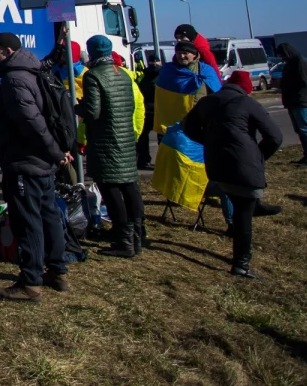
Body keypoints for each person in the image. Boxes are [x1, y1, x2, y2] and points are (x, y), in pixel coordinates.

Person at [0, 32, 71, 302]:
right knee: (49, 215)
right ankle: (58, 271)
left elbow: (32, 122)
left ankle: (30, 282)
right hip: (39, 161)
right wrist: (55, 154)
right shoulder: (32, 70)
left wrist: (55, 153)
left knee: (28, 219)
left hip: (26, 162)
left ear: (7, 52)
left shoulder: (14, 80)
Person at [182, 68, 283, 278]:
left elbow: (188, 127)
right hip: (243, 166)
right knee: (242, 216)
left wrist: (210, 142)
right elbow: (275, 137)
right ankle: (241, 265)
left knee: (239, 199)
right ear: (246, 89)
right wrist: (259, 156)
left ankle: (257, 205)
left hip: (216, 165)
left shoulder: (207, 102)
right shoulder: (248, 103)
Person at [77, 36, 145, 258]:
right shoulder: (123, 74)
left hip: (105, 141)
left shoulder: (94, 76)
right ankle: (137, 236)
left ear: (92, 52)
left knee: (110, 189)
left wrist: (78, 108)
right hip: (125, 139)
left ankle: (123, 240)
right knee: (129, 187)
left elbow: (94, 112)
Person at [151, 42, 222, 215]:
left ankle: (209, 192)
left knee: (203, 160)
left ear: (194, 54)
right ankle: (177, 194)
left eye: (186, 53)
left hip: (200, 123)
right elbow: (159, 95)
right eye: (179, 53)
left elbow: (218, 95)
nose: (182, 56)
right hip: (173, 126)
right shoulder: (168, 71)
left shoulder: (204, 71)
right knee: (177, 163)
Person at [275, 42, 307, 169]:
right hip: (291, 101)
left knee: (306, 130)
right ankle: (306, 156)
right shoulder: (290, 63)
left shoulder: (301, 62)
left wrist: (286, 84)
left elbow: (304, 83)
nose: (282, 58)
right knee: (299, 130)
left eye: (283, 55)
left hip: (301, 101)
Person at [136, 59, 162, 169]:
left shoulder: (142, 76)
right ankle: (162, 162)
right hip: (160, 110)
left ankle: (143, 160)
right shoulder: (163, 75)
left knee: (143, 137)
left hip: (145, 109)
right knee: (162, 136)